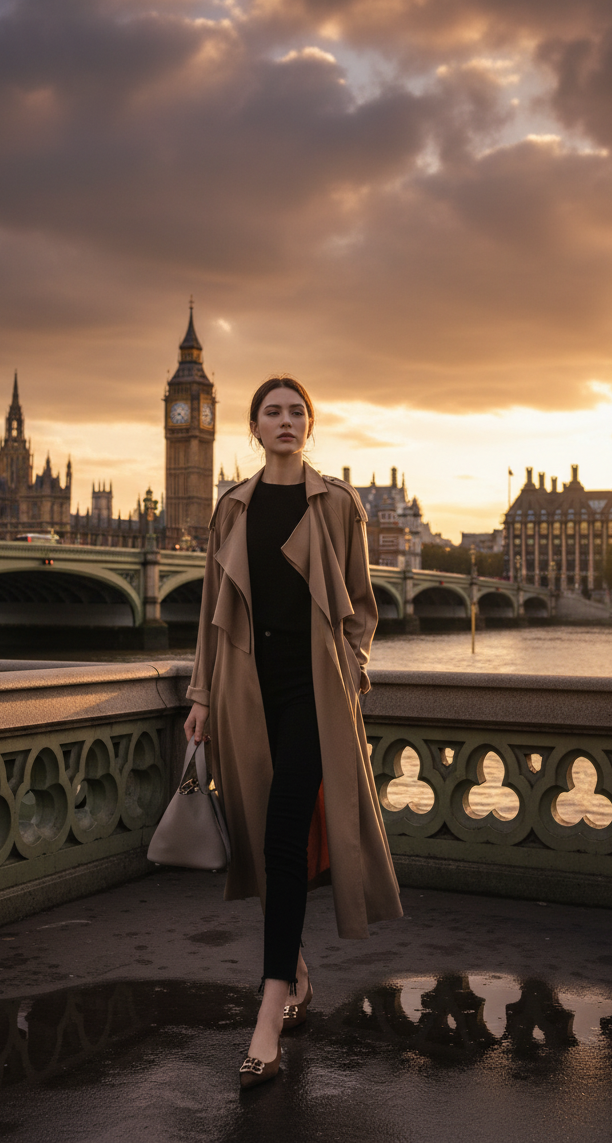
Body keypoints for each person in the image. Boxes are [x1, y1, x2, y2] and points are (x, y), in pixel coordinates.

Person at [183, 376, 403, 1089]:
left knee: (283, 838)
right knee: (264, 844)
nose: (285, 421)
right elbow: (214, 609)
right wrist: (200, 696)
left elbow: (362, 606)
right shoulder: (231, 509)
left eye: (296, 412)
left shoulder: (338, 504)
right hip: (246, 691)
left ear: (311, 425)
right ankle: (297, 973)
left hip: (312, 692)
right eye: (272, 412)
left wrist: (350, 666)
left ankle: (268, 1019)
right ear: (253, 427)